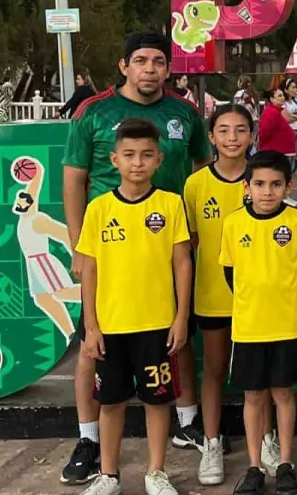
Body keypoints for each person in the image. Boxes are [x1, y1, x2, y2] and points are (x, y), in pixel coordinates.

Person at [61, 32, 211, 486]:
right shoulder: (95, 112)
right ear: (124, 66)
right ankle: (89, 441)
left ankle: (185, 425)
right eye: (141, 61)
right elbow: (74, 181)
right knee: (95, 343)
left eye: (159, 61)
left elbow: (201, 172)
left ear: (168, 69)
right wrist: (77, 248)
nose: (150, 68)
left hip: (168, 241)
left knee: (174, 336)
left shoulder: (185, 113)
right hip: (108, 248)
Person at [75, 119, 193, 495]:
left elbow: (182, 262)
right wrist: (91, 326)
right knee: (110, 402)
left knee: (158, 402)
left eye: (146, 155)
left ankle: (156, 472)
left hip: (157, 324)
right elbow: (89, 269)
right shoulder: (98, 208)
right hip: (111, 325)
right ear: (114, 160)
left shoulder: (170, 205)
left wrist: (180, 317)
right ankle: (109, 474)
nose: (137, 163)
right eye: (128, 155)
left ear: (159, 160)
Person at [221, 151, 297, 495]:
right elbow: (232, 274)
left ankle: (285, 463)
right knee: (253, 396)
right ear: (247, 187)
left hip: (286, 326)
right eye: (259, 184)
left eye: (276, 184)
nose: (267, 191)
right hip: (248, 327)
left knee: (284, 394)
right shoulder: (233, 224)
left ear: (288, 186)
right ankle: (255, 466)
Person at [181, 105, 254, 485]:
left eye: (240, 130)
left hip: (257, 298)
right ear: (211, 137)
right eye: (223, 130)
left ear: (251, 137)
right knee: (213, 370)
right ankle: (211, 443)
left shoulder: (261, 180)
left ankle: (267, 441)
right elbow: (190, 243)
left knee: (259, 376)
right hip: (212, 295)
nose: (232, 138)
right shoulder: (195, 185)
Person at [257, 89, 297, 172]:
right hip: (276, 152)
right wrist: (260, 144)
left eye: (283, 95)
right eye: (279, 96)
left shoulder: (277, 111)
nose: (283, 98)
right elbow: (264, 131)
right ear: (271, 99)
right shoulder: (271, 112)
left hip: (282, 152)